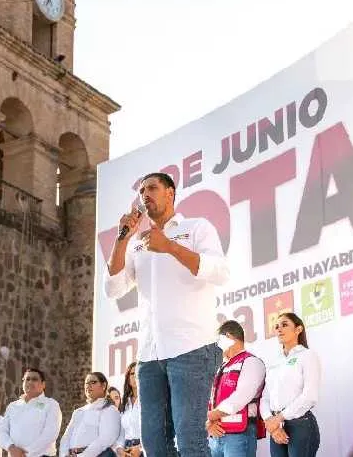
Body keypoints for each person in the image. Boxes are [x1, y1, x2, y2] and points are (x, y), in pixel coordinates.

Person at [105, 172, 228, 457]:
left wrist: (170, 247)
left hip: (192, 348)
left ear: (170, 193)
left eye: (152, 188)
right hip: (150, 355)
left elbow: (220, 272)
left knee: (190, 438)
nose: (144, 194)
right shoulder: (136, 243)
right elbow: (113, 288)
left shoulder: (196, 228)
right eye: (141, 191)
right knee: (154, 443)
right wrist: (122, 239)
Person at [259, 312, 320, 457]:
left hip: (300, 424)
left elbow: (309, 396)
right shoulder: (275, 362)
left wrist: (278, 418)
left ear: (298, 329)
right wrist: (271, 423)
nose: (279, 329)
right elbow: (265, 397)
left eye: (284, 325)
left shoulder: (307, 355)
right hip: (277, 428)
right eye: (276, 326)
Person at [205, 320, 265, 457]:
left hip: (239, 436)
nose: (217, 346)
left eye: (219, 341)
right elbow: (210, 398)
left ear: (229, 337)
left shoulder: (251, 362)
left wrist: (211, 416)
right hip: (216, 434)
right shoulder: (221, 367)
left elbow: (242, 396)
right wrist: (208, 423)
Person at [0, 368, 62, 457]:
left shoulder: (51, 404)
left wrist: (26, 453)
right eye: (27, 379)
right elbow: (2, 431)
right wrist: (11, 447)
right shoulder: (12, 406)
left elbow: (50, 434)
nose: (30, 382)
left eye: (34, 379)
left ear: (43, 384)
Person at [59, 372, 121, 457]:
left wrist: (82, 456)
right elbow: (66, 437)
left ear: (103, 385)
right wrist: (64, 455)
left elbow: (106, 439)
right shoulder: (78, 412)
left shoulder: (110, 410)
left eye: (93, 382)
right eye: (86, 383)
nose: (88, 386)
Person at [113, 362, 142, 457]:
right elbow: (122, 432)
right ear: (128, 378)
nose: (135, 376)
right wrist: (119, 449)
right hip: (126, 449)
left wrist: (141, 448)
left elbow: (156, 430)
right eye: (132, 374)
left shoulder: (149, 401)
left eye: (138, 372)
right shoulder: (125, 403)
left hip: (144, 449)